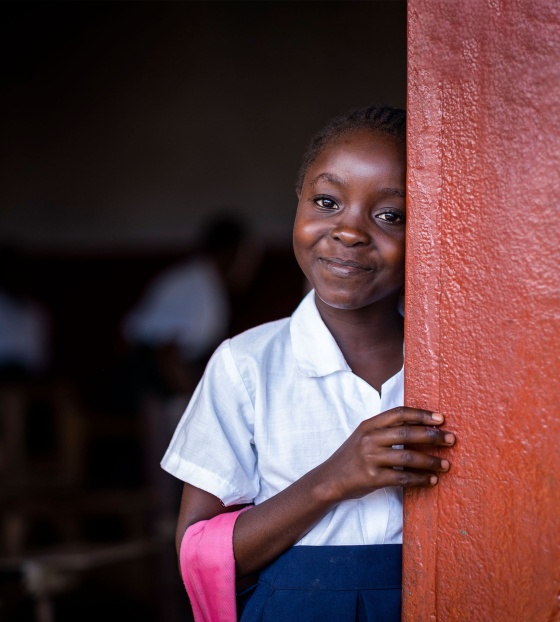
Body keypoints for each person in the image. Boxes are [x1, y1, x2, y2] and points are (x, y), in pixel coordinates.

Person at [161, 106, 456, 621]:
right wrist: (332, 479)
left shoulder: (460, 367)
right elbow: (199, 551)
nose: (349, 232)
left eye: (391, 215)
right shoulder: (245, 366)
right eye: (327, 201)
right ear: (297, 204)